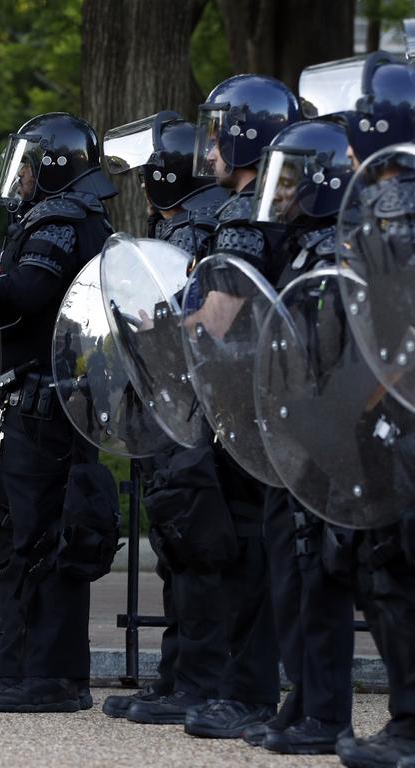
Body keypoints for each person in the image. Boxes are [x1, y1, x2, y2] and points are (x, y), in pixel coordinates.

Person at [0, 112, 117, 713]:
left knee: (46, 538)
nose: (18, 179)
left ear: (51, 167)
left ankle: (52, 679)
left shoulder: (61, 222)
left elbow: (26, 293)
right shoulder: (64, 217)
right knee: (25, 538)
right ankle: (17, 671)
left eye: (26, 166)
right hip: (39, 400)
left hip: (50, 406)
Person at [300, 50, 415, 768]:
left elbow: (390, 328)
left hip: (395, 417)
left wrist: (341, 415)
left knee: (392, 571)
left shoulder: (391, 206)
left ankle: (409, 726)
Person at [181, 73, 302, 740]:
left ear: (245, 134)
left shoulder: (247, 214)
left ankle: (249, 691)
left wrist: (161, 326)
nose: (211, 147)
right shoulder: (284, 204)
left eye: (220, 130)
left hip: (247, 403)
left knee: (250, 549)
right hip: (271, 400)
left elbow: (217, 316)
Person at [100, 111, 230, 725]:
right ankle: (177, 675)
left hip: (187, 415)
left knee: (191, 548)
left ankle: (195, 682)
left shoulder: (189, 235)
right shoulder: (190, 225)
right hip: (182, 411)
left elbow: (166, 322)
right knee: (178, 548)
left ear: (166, 177)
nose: (143, 187)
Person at [248, 118, 358, 755]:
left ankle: (328, 711)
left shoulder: (336, 251)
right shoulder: (297, 248)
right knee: (290, 569)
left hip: (327, 437)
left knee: (321, 573)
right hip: (290, 434)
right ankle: (303, 694)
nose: (279, 193)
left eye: (289, 180)